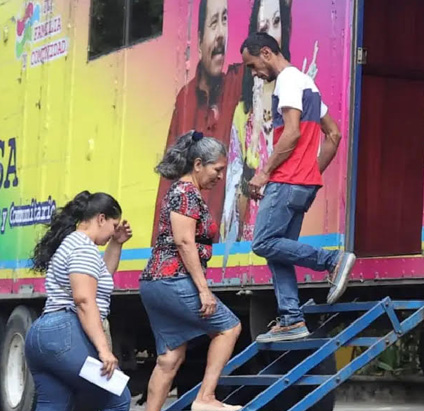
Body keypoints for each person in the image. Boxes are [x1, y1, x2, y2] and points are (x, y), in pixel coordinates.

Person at [240, 33, 356, 342]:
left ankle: (332, 260)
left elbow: (290, 134)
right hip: (303, 183)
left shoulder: (288, 81)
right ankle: (292, 319)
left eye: (253, 65)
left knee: (263, 242)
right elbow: (334, 134)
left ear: (266, 53)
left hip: (286, 181)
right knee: (279, 251)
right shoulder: (308, 83)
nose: (254, 73)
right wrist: (311, 171)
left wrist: (264, 172)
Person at [134, 131, 243, 411]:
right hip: (172, 279)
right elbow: (184, 242)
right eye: (217, 170)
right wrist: (204, 290)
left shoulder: (182, 191)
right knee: (228, 328)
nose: (220, 176)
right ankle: (206, 396)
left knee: (170, 357)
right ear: (198, 164)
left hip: (156, 282)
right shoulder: (186, 193)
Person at [22, 191, 133, 411]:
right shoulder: (84, 248)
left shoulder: (73, 245)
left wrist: (117, 243)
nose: (112, 232)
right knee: (117, 398)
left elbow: (102, 278)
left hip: (42, 334)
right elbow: (85, 300)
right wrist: (105, 350)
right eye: (113, 226)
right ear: (101, 218)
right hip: (65, 333)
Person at [151, 0, 244, 244]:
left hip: (220, 242)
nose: (221, 33)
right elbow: (168, 178)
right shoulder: (185, 98)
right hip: (188, 240)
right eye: (214, 23)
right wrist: (158, 247)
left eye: (225, 20)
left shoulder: (236, 82)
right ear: (200, 40)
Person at [222, 0, 293, 243]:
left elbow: (297, 136)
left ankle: (326, 259)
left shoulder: (294, 87)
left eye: (276, 23)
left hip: (285, 201)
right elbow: (234, 184)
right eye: (263, 26)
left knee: (272, 247)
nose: (270, 34)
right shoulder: (243, 113)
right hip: (254, 221)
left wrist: (264, 174)